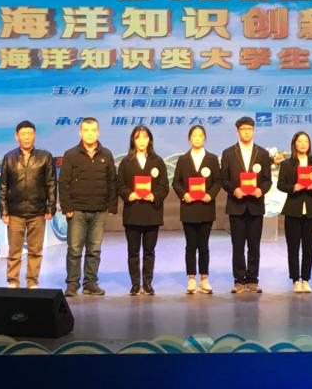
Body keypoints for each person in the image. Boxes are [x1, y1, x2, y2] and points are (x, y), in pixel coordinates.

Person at [59, 117, 117, 296]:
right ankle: (72, 283)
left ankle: (90, 283)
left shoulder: (106, 154)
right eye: (86, 130)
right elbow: (64, 183)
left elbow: (112, 181)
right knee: (74, 249)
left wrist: (112, 206)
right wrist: (67, 206)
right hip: (77, 210)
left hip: (99, 210)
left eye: (93, 130)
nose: (90, 134)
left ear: (98, 132)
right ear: (80, 132)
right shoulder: (71, 154)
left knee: (94, 250)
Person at [0, 120, 56, 289]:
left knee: (35, 250)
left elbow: (51, 184)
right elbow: (3, 186)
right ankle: (13, 280)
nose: (27, 137)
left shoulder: (45, 157)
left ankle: (32, 281)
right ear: (16, 137)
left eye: (30, 134)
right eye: (23, 134)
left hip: (37, 211)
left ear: (34, 136)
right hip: (14, 212)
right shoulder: (9, 157)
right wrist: (4, 210)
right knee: (14, 250)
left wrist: (50, 207)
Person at [219, 116, 273, 293]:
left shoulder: (262, 153)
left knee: (254, 245)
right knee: (238, 245)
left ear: (254, 130)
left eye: (249, 129)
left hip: (256, 205)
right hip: (237, 205)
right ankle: (239, 280)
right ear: (237, 132)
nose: (247, 132)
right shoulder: (228, 153)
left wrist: (261, 190)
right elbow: (224, 180)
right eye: (243, 129)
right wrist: (234, 189)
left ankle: (253, 279)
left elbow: (267, 180)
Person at [116, 125, 169, 295]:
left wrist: (154, 196)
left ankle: (147, 283)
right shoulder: (126, 162)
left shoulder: (157, 161)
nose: (141, 141)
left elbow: (164, 186)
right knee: (133, 251)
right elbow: (120, 185)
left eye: (145, 137)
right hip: (133, 212)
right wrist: (129, 194)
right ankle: (135, 284)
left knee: (149, 251)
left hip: (152, 212)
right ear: (133, 140)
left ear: (150, 140)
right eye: (138, 137)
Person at [171, 124, 221, 294]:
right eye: (194, 135)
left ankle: (204, 279)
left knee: (204, 246)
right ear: (189, 139)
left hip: (206, 207)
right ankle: (191, 279)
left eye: (200, 135)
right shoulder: (183, 159)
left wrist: (210, 195)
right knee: (190, 245)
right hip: (189, 207)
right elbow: (176, 182)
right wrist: (184, 194)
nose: (197, 138)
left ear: (205, 138)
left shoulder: (212, 159)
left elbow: (218, 181)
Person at [276, 131, 312, 293]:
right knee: (293, 247)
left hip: (311, 210)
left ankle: (306, 279)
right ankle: (295, 279)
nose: (303, 144)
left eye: (306, 141)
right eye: (300, 141)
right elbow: (280, 185)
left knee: (309, 247)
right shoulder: (287, 164)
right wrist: (293, 187)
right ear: (294, 144)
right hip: (293, 209)